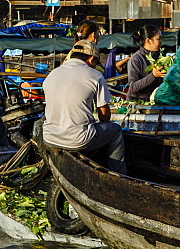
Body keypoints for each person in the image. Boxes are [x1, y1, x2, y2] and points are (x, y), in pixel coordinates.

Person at [41, 40, 126, 173]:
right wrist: (102, 126)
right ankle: (119, 174)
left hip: (49, 137)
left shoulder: (52, 74)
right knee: (115, 130)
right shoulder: (95, 75)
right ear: (91, 58)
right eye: (95, 63)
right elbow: (104, 115)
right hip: (78, 141)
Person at [125, 25, 167, 101]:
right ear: (148, 41)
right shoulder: (136, 59)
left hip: (157, 102)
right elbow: (133, 87)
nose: (161, 42)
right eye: (158, 39)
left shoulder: (162, 57)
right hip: (138, 103)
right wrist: (153, 75)